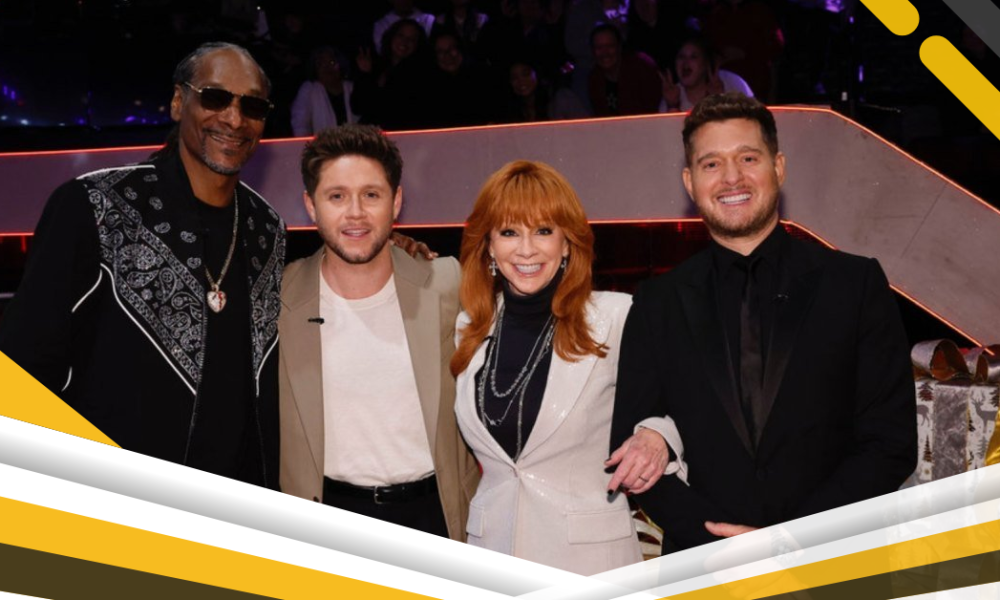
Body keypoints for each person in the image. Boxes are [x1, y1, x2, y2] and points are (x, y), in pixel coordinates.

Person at [611, 92, 917, 553]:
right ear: (690, 182)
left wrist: (793, 538)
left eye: (748, 158)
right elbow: (630, 447)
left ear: (779, 167)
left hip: (836, 563)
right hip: (704, 566)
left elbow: (890, 442)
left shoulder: (855, 284)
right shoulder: (657, 301)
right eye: (711, 164)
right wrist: (718, 542)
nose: (731, 177)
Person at [0, 42, 285, 486]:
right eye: (215, 97)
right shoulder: (94, 205)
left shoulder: (267, 228)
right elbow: (21, 366)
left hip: (238, 501)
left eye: (252, 106)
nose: (234, 119)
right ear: (178, 102)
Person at [451, 160, 685, 574]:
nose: (526, 249)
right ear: (488, 245)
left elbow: (690, 400)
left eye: (543, 231)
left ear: (566, 244)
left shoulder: (617, 317)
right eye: (509, 232)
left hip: (590, 564)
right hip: (492, 558)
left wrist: (658, 437)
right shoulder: (470, 326)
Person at [279, 125, 479, 540]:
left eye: (371, 195)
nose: (355, 212)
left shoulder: (446, 282)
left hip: (437, 516)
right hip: (326, 520)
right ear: (311, 206)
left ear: (396, 202)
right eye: (337, 196)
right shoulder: (279, 297)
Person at [660, 35, 753, 112]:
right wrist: (672, 106)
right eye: (681, 57)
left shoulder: (732, 83)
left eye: (693, 57)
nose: (685, 62)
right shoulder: (670, 96)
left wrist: (719, 101)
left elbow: (753, 120)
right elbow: (669, 129)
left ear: (705, 63)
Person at [587, 23, 662, 117]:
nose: (605, 53)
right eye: (599, 48)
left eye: (610, 46)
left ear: (619, 47)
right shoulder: (594, 79)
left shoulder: (640, 70)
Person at [290, 46, 359, 137]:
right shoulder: (309, 90)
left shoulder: (352, 88)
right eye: (321, 64)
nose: (327, 68)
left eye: (332, 62)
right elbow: (300, 124)